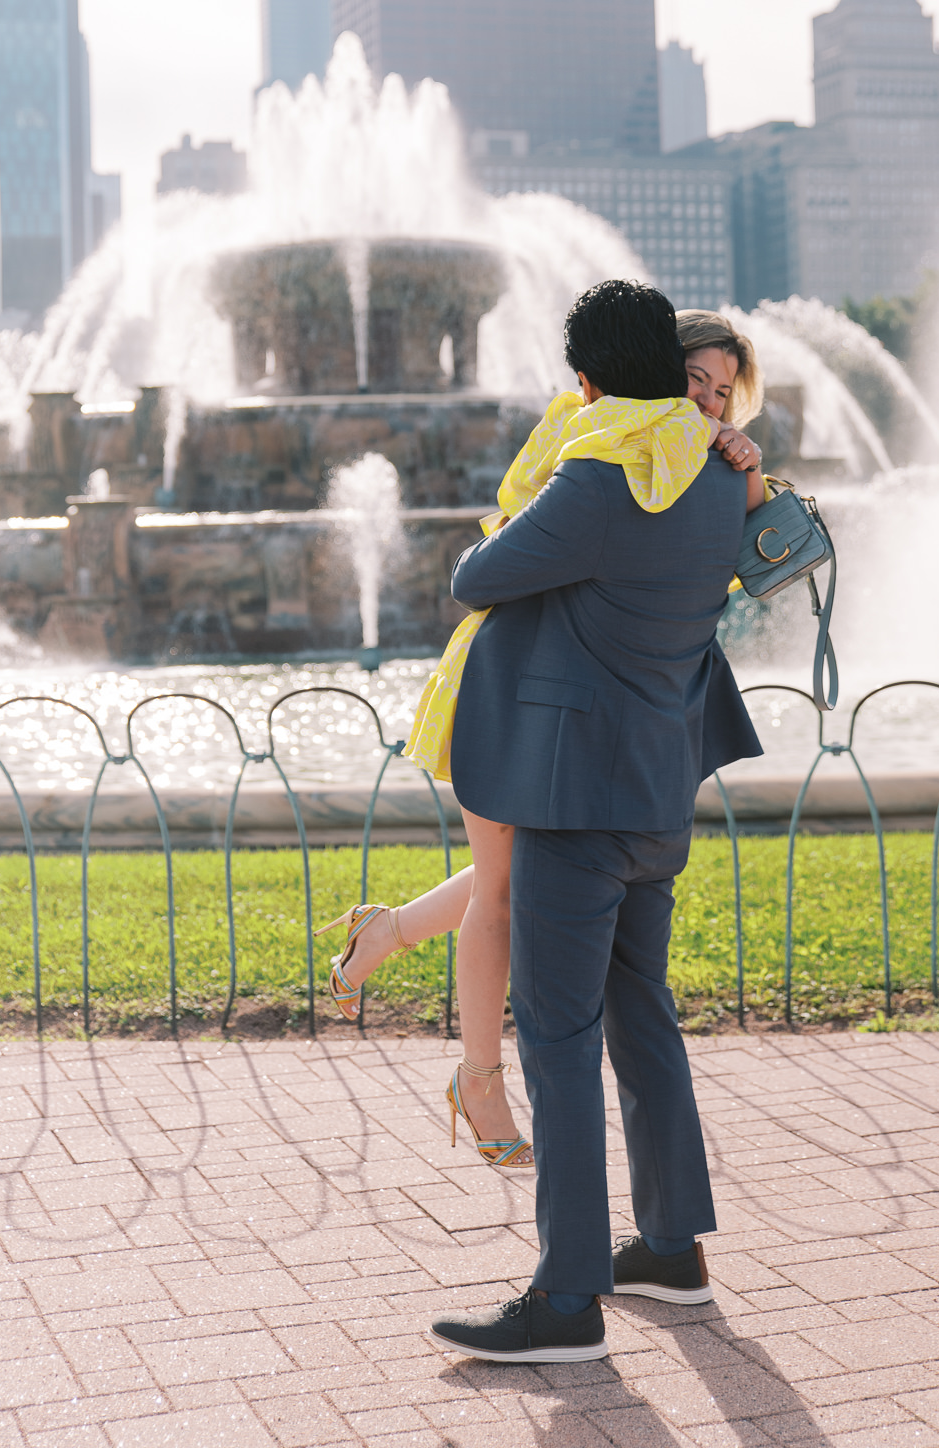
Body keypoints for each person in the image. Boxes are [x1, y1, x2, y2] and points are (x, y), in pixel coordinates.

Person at [318, 305, 766, 1176]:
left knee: (512, 874)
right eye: (694, 383)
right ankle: (478, 1080)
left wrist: (746, 465)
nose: (709, 405)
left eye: (722, 394)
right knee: (504, 894)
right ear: (647, 370)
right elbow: (494, 565)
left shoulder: (697, 457)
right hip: (512, 685)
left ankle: (388, 932)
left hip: (573, 707)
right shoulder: (587, 435)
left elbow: (727, 536)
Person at [423, 279, 762, 1362]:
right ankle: (669, 1247)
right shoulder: (717, 476)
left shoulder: (600, 469)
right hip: (658, 792)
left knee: (559, 1041)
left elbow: (476, 574)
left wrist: (562, 470)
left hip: (576, 801)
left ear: (585, 382)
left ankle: (566, 1298)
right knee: (640, 1020)